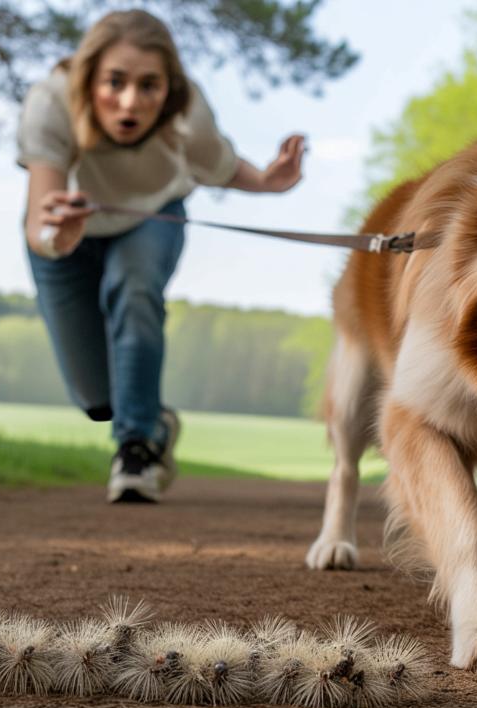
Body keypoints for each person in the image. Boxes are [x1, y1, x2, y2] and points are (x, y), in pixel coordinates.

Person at [16, 10, 305, 503]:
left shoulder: (187, 110)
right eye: (115, 82)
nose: (131, 102)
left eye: (149, 86)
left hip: (152, 215)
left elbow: (218, 165)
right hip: (64, 230)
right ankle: (151, 421)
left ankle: (136, 451)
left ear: (167, 89)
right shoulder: (50, 104)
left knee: (134, 287)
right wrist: (59, 237)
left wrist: (267, 182)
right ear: (89, 80)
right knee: (95, 399)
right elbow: (37, 226)